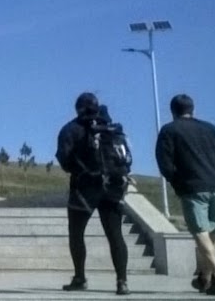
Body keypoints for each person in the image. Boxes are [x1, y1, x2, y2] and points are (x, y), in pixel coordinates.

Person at [156, 94, 215, 296]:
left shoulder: (169, 130)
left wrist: (178, 183)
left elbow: (165, 164)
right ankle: (206, 279)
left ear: (172, 112)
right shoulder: (211, 129)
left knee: (200, 232)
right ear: (193, 109)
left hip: (193, 188)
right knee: (213, 232)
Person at [55, 92, 131, 296]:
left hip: (85, 188)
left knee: (76, 233)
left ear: (77, 108)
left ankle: (80, 278)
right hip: (114, 185)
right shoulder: (112, 129)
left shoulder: (71, 129)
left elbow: (64, 159)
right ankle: (122, 282)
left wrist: (80, 169)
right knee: (115, 234)